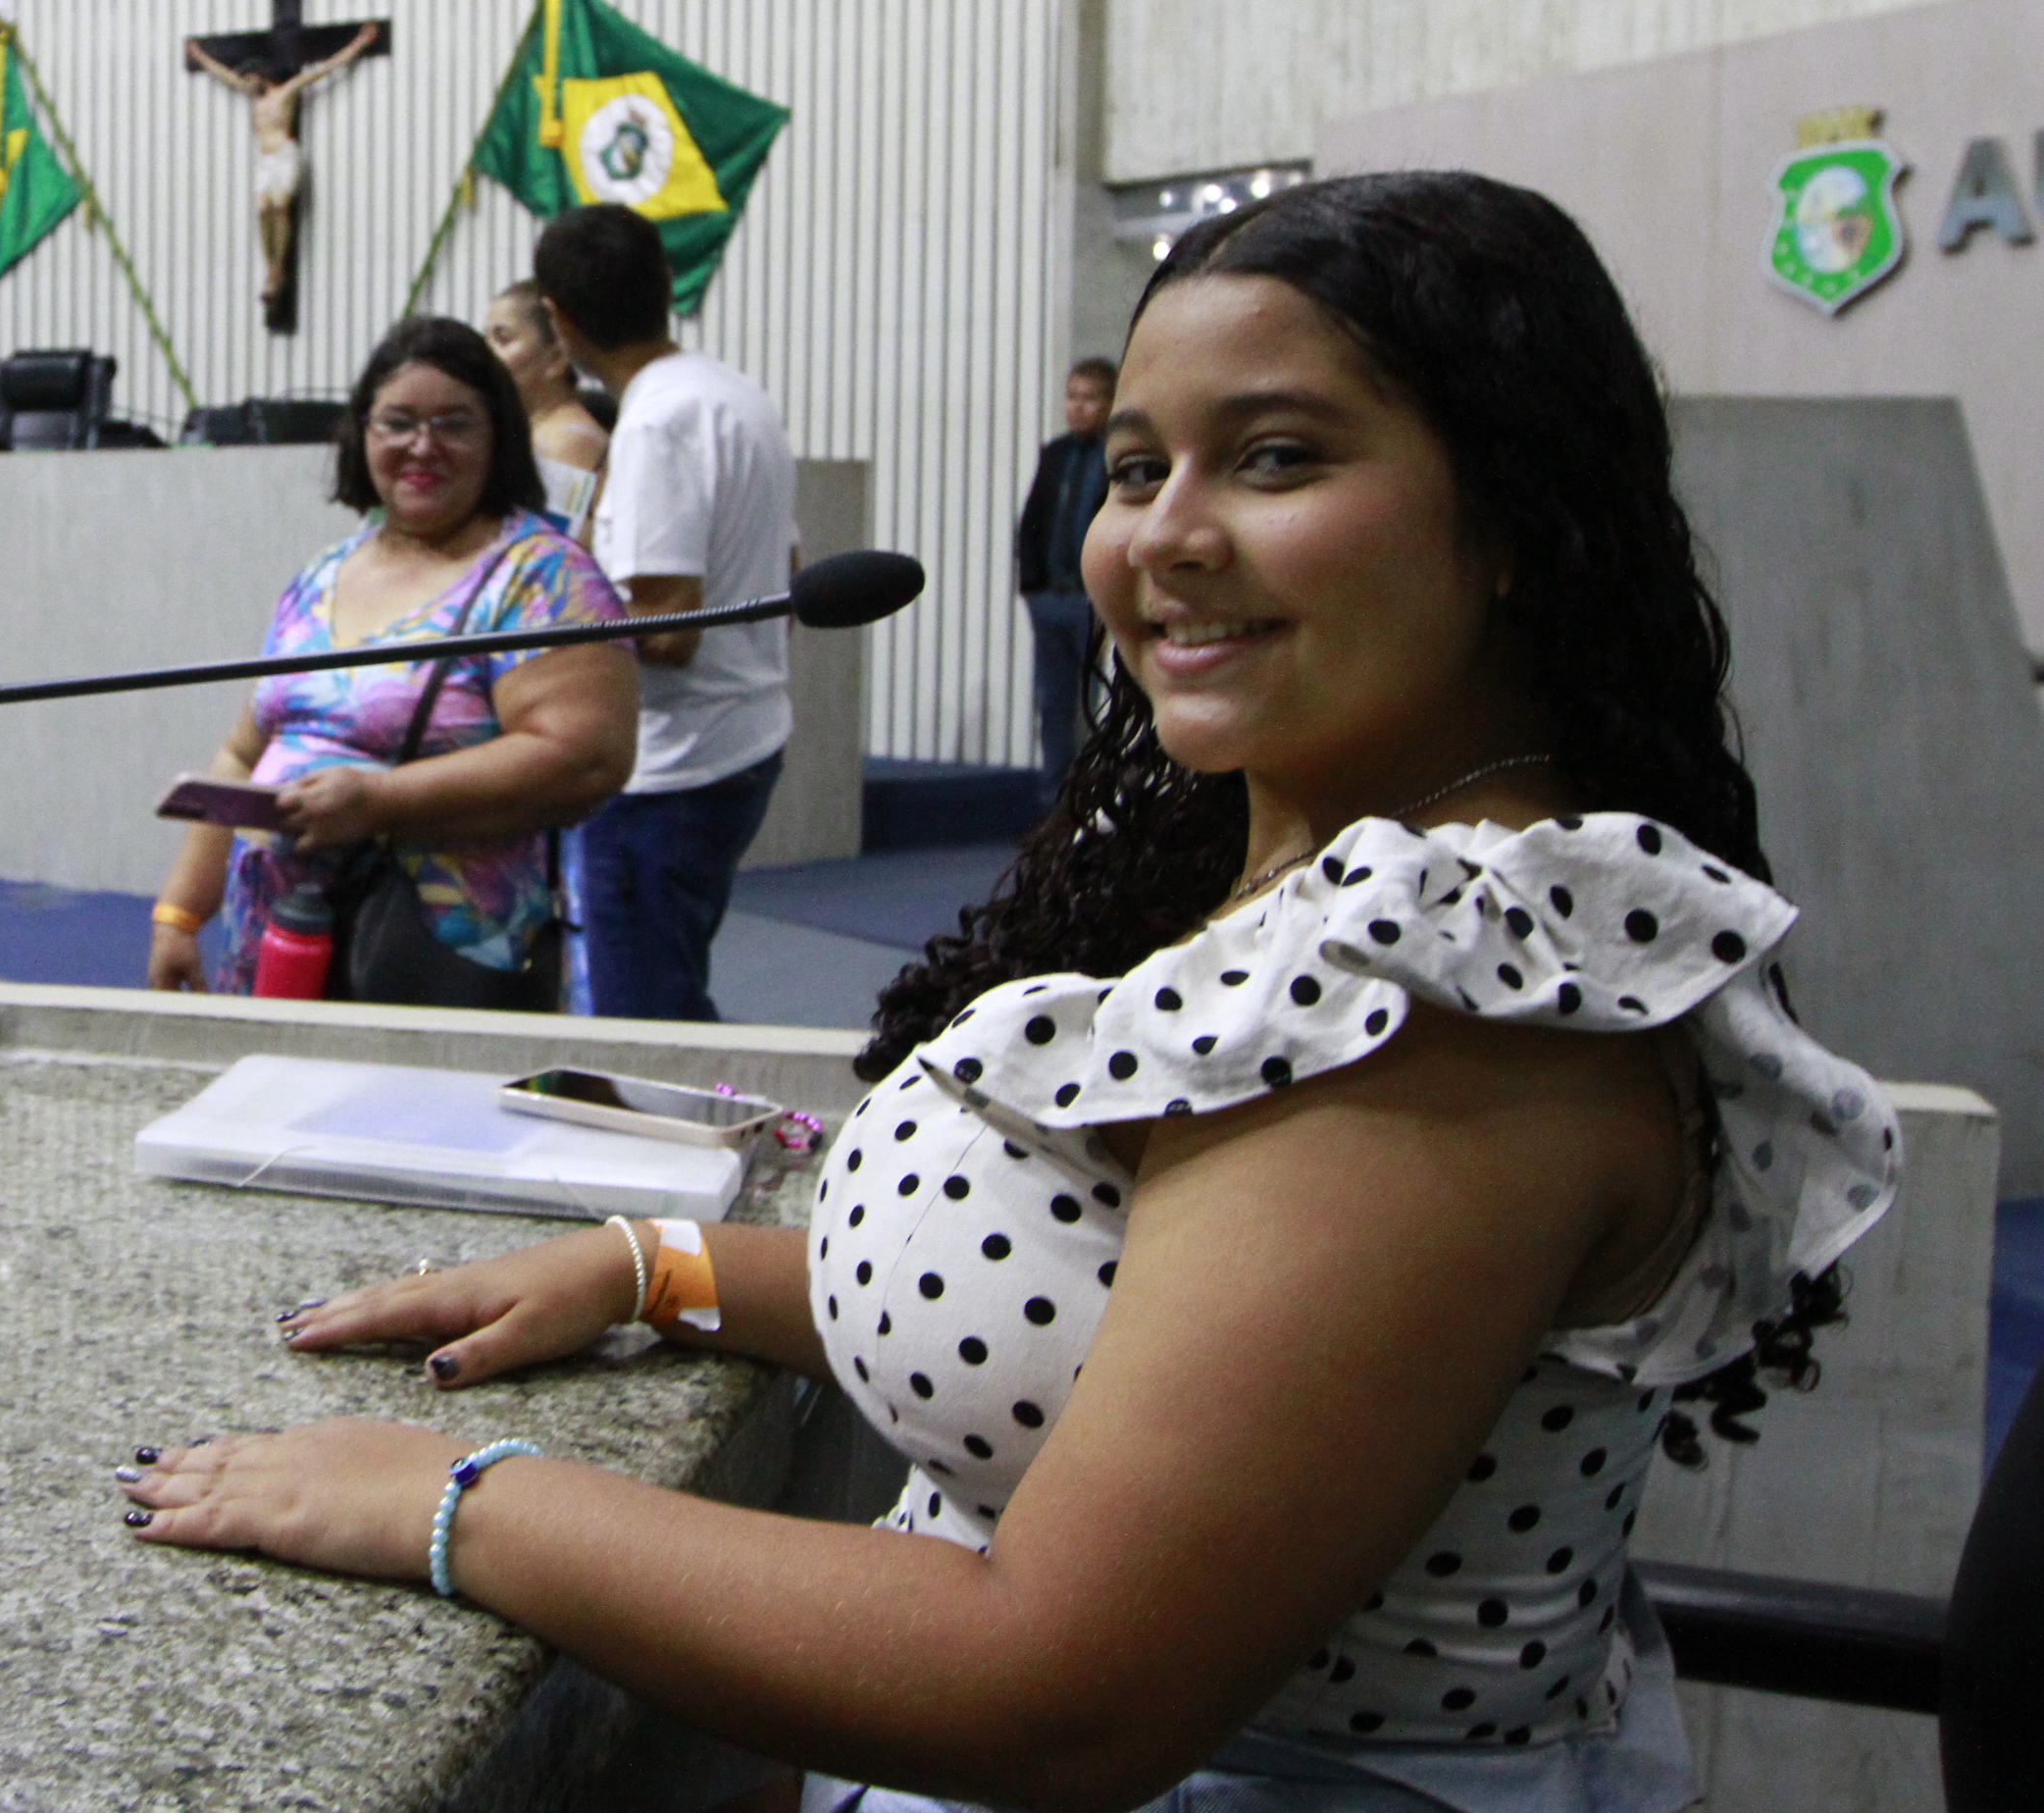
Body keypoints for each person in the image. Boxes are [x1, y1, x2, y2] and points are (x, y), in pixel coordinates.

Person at [115, 172, 1898, 1813]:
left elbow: (1057, 1687)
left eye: (1273, 458)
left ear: (1511, 512)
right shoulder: (1305, 863)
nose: (1165, 536)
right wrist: (657, 1264)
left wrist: (452, 1500)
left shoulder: (1453, 986)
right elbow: (1101, 1306)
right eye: (1134, 468)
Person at [147, 318, 636, 1004]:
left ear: (498, 438)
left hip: (436, 956)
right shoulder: (323, 574)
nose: (423, 446)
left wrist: (377, 802)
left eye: (454, 424)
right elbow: (241, 755)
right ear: (362, 434)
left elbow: (585, 760)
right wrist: (179, 913)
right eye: (397, 422)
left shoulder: (545, 577)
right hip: (280, 949)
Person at [538, 204, 796, 1022]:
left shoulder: (656, 422)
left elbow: (668, 630)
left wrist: (540, 637)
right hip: (738, 735)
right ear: (666, 284)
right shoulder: (733, 393)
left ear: (560, 321)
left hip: (671, 769)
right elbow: (785, 570)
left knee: (641, 1025)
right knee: (670, 998)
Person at [184, 21, 381, 332]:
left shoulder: (285, 93)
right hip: (265, 160)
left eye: (251, 77)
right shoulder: (255, 100)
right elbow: (223, 76)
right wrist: (199, 55)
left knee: (279, 208)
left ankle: (278, 270)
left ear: (263, 75)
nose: (247, 84)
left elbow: (324, 69)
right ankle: (272, 271)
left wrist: (359, 43)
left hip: (285, 154)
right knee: (262, 211)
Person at [1014, 355, 1117, 791]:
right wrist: (1031, 585)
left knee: (1096, 708)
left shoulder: (1117, 457)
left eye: (1089, 398)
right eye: (1071, 396)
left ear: (1111, 403)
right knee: (1052, 704)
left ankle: (1093, 801)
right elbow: (1033, 520)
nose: (1076, 407)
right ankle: (1053, 803)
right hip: (1050, 598)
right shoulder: (1054, 454)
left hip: (1093, 600)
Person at [480, 278, 607, 525]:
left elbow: (561, 548)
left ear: (556, 356)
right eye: (486, 340)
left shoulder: (566, 440)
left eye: (503, 339)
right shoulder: (535, 431)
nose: (486, 354)